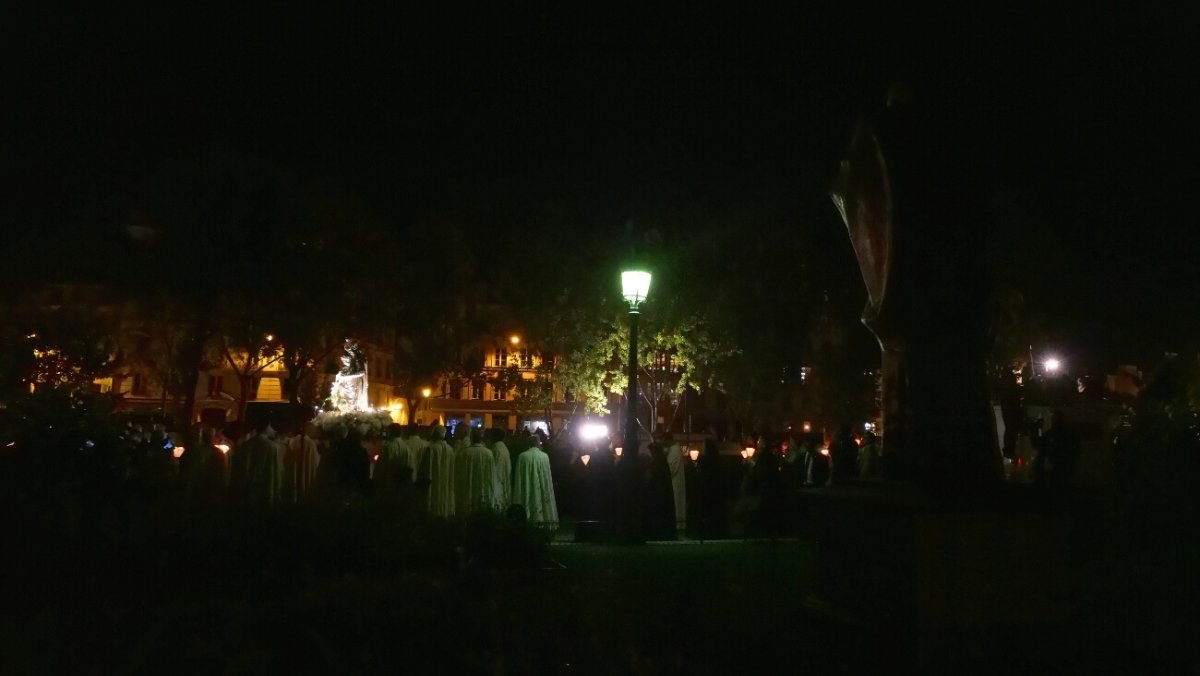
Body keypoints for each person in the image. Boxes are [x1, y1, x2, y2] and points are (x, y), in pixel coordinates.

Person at [229, 417, 282, 507]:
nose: (273, 430)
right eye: (270, 426)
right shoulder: (272, 446)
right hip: (265, 486)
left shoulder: (247, 444)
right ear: (266, 428)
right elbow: (275, 470)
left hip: (249, 486)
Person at [511, 432, 558, 529]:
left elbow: (519, 477)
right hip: (541, 488)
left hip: (527, 487)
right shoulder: (544, 456)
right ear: (538, 443)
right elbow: (546, 477)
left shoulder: (522, 456)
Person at [454, 427, 496, 516]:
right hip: (483, 487)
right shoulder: (489, 453)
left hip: (467, 488)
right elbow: (492, 473)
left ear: (471, 437)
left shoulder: (464, 453)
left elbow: (458, 472)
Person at [419, 425, 456, 517]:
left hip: (433, 483)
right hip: (446, 483)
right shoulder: (450, 450)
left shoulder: (431, 449)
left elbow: (425, 468)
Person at [643, 438, 677, 540]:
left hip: (656, 497)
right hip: (662, 496)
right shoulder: (662, 461)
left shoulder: (655, 464)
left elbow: (650, 479)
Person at [281, 420, 321, 503]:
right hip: (306, 474)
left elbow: (287, 459)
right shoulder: (311, 444)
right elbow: (315, 462)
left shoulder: (292, 442)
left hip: (294, 472)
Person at [374, 423, 413, 501]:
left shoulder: (388, 446)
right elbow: (410, 463)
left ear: (391, 432)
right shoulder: (406, 446)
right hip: (402, 481)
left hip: (389, 481)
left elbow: (382, 465)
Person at [488, 427, 512, 510]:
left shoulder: (495, 448)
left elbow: (494, 468)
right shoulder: (504, 448)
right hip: (504, 480)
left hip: (497, 481)